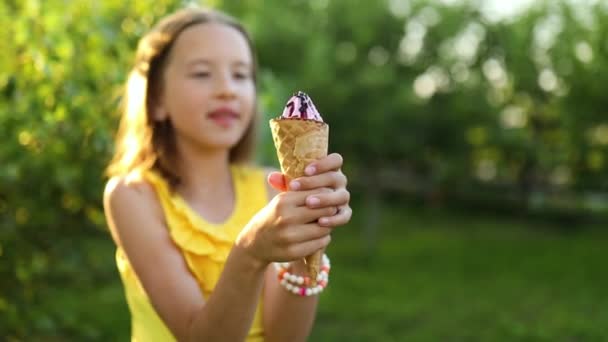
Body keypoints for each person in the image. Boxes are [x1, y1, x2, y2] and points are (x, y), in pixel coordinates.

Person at [103, 6, 352, 342]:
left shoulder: (272, 190)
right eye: (202, 73)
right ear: (157, 98)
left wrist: (309, 244)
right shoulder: (132, 196)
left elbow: (285, 338)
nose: (227, 90)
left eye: (240, 75)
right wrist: (251, 252)